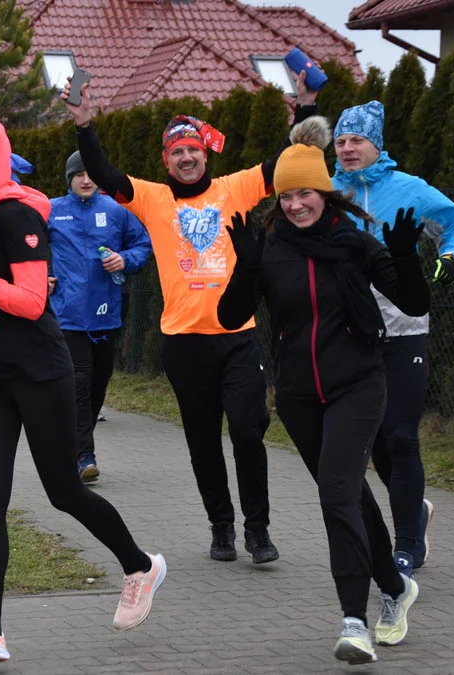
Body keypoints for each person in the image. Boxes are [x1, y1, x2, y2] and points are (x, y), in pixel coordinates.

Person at [0, 113, 166, 665]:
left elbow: (32, 302)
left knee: (64, 492)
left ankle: (140, 566)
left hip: (39, 373)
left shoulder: (14, 216)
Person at [60, 73, 322, 564]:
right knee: (203, 441)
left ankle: (258, 530)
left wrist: (306, 110)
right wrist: (84, 124)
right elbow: (105, 171)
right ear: (167, 161)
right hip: (183, 343)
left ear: (206, 153)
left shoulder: (235, 189)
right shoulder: (153, 198)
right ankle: (221, 527)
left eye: (193, 150)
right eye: (177, 153)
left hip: (237, 338)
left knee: (247, 431)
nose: (186, 158)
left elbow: (285, 163)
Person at [217, 116, 425, 664]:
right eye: (286, 196)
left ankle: (353, 620)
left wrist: (404, 255)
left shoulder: (353, 243)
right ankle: (396, 588)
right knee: (350, 494)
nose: (295, 205)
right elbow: (230, 314)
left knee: (335, 494)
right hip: (299, 396)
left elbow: (414, 302)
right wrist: (244, 268)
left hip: (358, 384)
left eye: (305, 193)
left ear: (324, 191)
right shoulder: (269, 248)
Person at [331, 100, 454, 575]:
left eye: (357, 140)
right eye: (342, 141)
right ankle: (415, 511)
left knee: (401, 436)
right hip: (351, 333)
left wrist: (451, 258)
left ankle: (408, 543)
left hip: (403, 329)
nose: (348, 149)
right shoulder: (327, 194)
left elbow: (453, 226)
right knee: (376, 444)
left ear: (377, 144)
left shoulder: (410, 189)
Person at [47, 150, 152, 483]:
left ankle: (72, 444)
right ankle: (83, 455)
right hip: (68, 314)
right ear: (69, 179)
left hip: (106, 314)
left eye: (91, 173)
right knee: (80, 381)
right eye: (79, 174)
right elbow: (29, 246)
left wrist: (125, 260)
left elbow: (143, 244)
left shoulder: (117, 210)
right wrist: (43, 275)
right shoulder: (51, 210)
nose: (86, 179)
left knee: (99, 381)